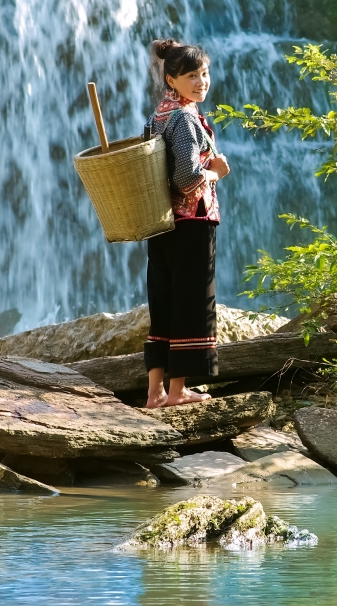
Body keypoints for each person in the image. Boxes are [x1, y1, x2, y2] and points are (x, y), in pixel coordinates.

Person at [143, 39, 230, 408]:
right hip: (192, 222)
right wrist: (216, 173)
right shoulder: (185, 118)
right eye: (192, 76)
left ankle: (155, 392)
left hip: (162, 223)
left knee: (163, 301)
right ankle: (177, 391)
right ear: (171, 80)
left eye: (204, 73)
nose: (201, 82)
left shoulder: (158, 116)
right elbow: (186, 178)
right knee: (191, 302)